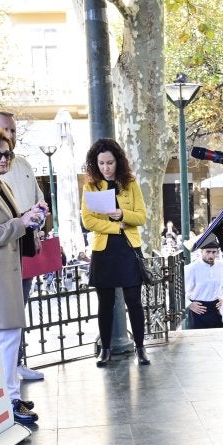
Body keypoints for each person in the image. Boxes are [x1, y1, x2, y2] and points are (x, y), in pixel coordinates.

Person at [0, 128, 48, 423]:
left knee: (9, 336)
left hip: (8, 269)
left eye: (7, 154)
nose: (3, 159)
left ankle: (10, 396)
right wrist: (21, 223)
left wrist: (31, 216)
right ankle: (9, 399)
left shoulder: (0, 185)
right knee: (6, 336)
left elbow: (12, 221)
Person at [82, 139, 150, 366]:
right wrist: (115, 226)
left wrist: (122, 214)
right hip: (104, 249)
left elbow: (141, 216)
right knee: (105, 303)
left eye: (109, 162)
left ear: (117, 161)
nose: (105, 167)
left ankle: (140, 348)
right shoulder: (90, 185)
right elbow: (88, 220)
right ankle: (106, 349)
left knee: (134, 301)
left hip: (129, 248)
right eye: (101, 163)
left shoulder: (130, 182)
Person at [184, 241, 223, 329]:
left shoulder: (221, 266)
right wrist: (189, 304)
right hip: (198, 310)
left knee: (218, 338)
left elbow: (222, 286)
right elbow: (179, 290)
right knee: (198, 340)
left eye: (214, 252)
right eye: (208, 252)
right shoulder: (192, 268)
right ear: (201, 251)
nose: (211, 255)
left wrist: (221, 298)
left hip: (214, 309)